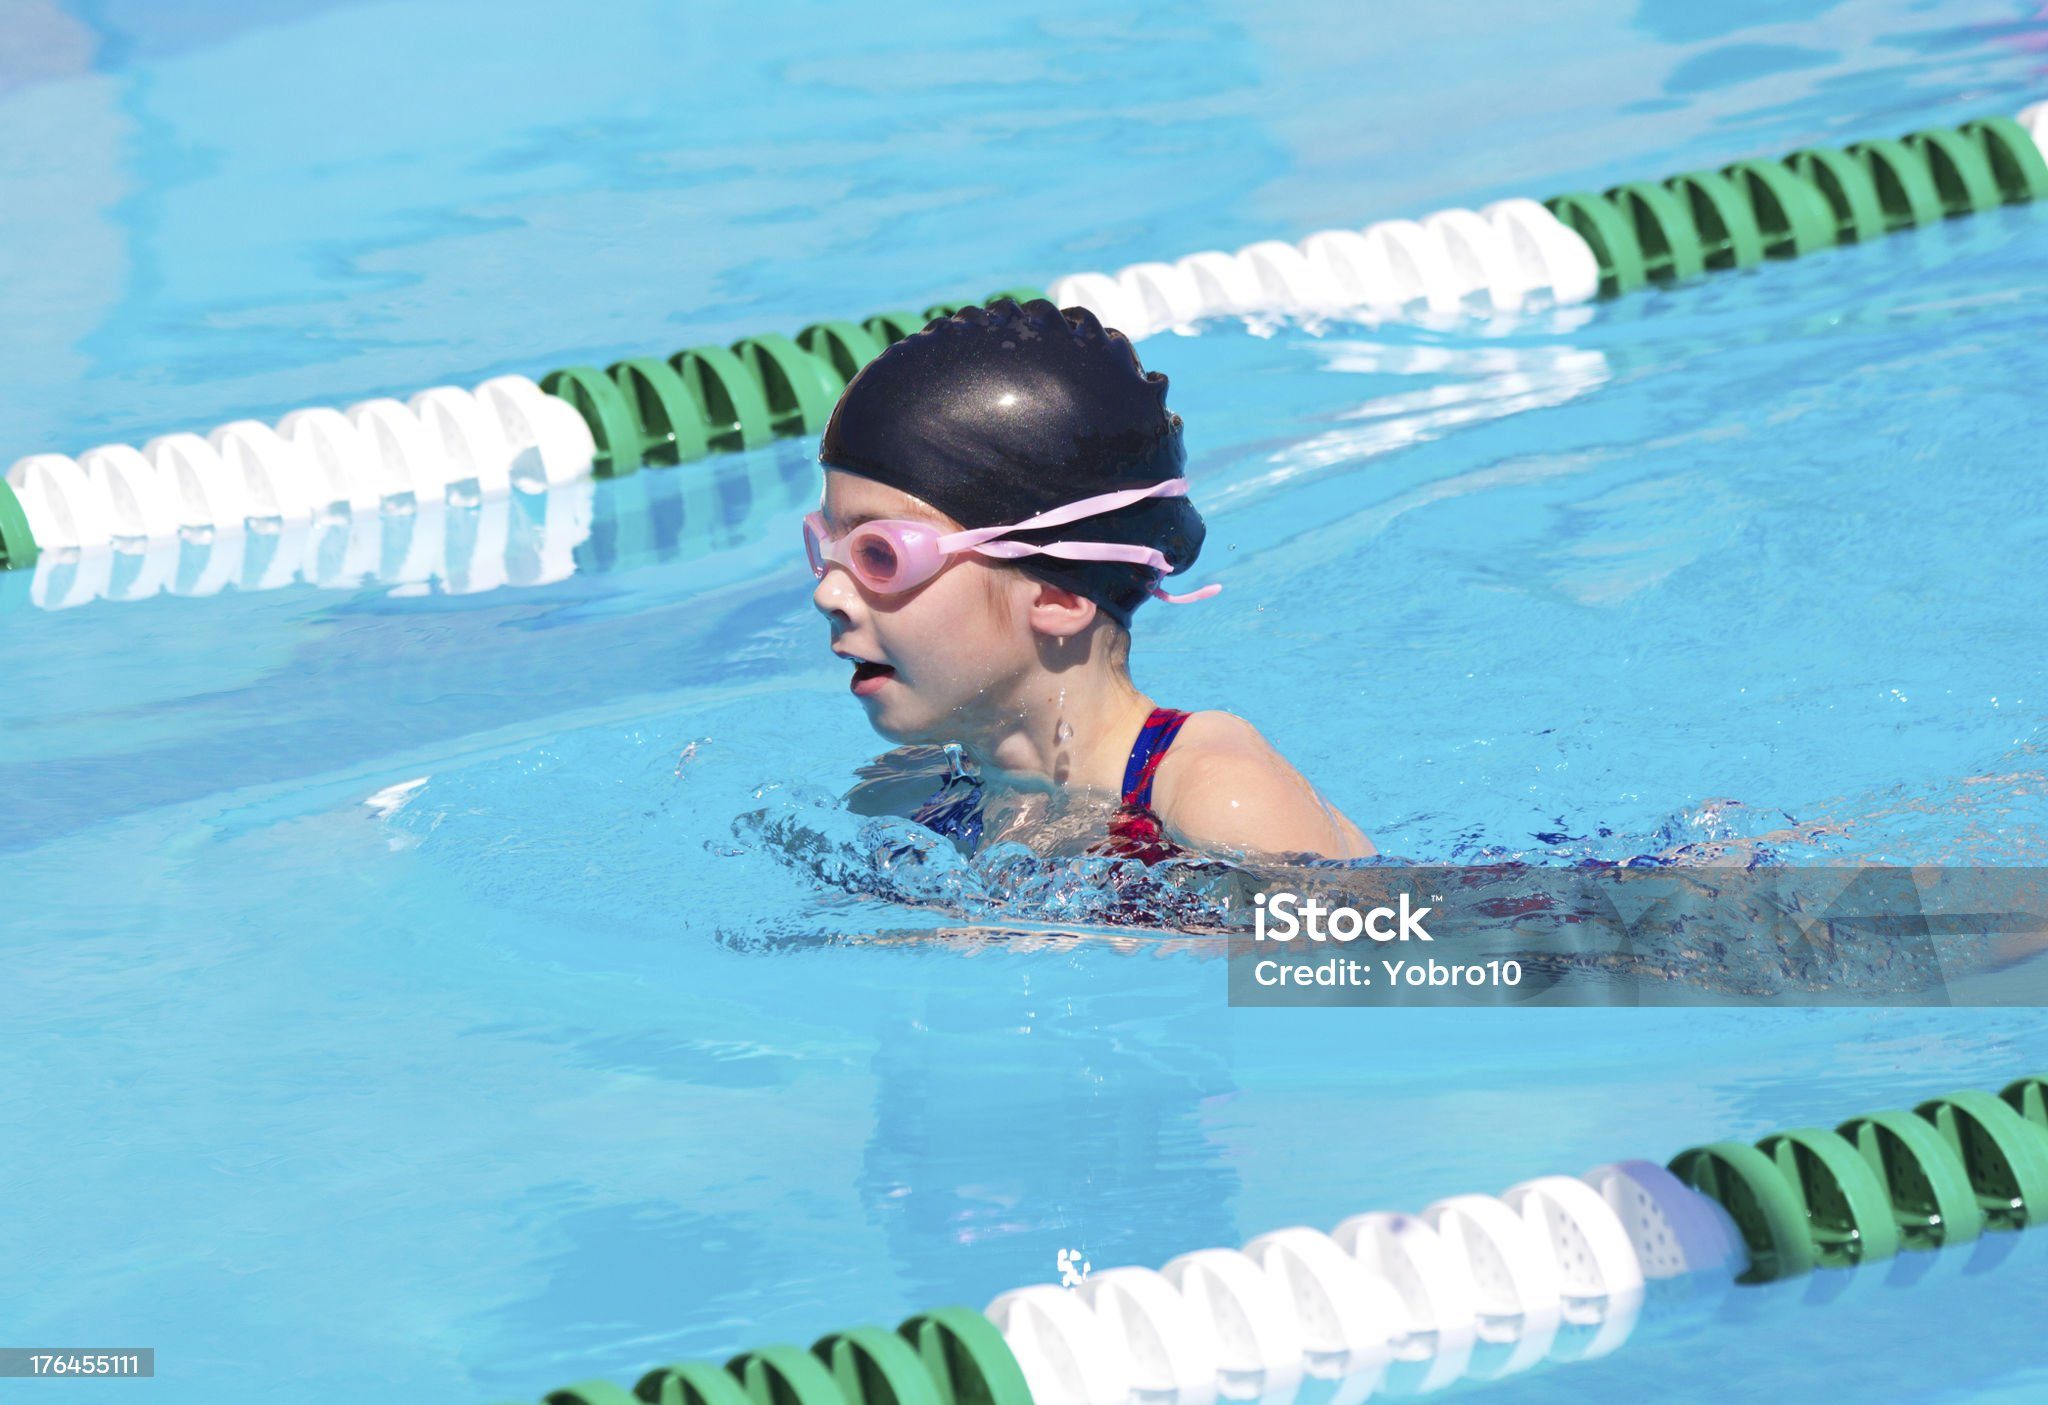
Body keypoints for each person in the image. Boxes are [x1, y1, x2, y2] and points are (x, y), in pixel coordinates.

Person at [806, 297, 1375, 864]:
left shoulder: (1217, 795)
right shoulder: (908, 794)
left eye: (879, 553)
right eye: (825, 544)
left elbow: (1381, 948)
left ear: (1057, 597)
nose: (828, 593)